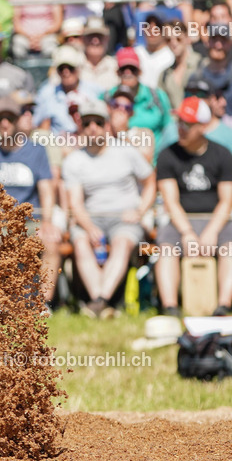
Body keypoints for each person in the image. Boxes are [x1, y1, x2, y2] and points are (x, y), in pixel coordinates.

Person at [62, 99, 156, 318]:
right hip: (89, 217)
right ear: (81, 128)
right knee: (80, 242)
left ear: (107, 125)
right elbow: (75, 202)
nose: (92, 127)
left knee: (122, 242)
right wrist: (88, 226)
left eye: (97, 122)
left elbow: (151, 182)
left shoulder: (126, 151)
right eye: (86, 123)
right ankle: (101, 302)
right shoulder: (74, 160)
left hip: (125, 218)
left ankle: (97, 301)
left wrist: (140, 211)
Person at [0, 96, 61, 305]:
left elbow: (46, 189)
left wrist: (47, 221)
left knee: (51, 242)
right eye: (0, 118)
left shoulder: (36, 150)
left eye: (9, 118)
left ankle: (42, 302)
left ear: (18, 120)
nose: (4, 123)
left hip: (30, 221)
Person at [155, 96, 232, 317]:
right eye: (179, 122)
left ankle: (223, 307)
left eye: (187, 123)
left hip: (217, 219)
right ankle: (170, 308)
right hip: (180, 219)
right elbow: (170, 201)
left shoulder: (222, 154)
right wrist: (187, 232)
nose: (181, 128)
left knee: (230, 249)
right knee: (166, 249)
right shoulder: (168, 155)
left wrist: (212, 231)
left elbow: (227, 200)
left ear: (203, 126)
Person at [34, 45, 103, 135]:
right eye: (61, 68)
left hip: (90, 141)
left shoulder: (95, 91)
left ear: (78, 69)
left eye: (70, 68)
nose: (66, 72)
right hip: (57, 144)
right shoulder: (46, 94)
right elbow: (38, 126)